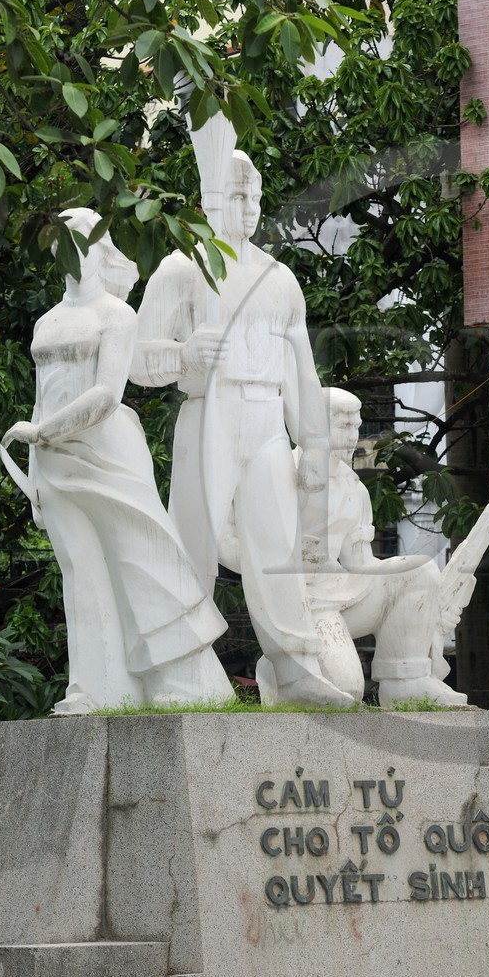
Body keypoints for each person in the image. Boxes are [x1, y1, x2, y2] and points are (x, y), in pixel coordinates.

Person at [132, 122, 352, 707]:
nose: (248, 208)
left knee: (275, 542)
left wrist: (313, 446)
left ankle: (295, 664)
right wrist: (183, 354)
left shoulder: (280, 279)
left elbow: (302, 372)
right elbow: (136, 359)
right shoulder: (184, 270)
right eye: (235, 196)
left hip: (265, 421)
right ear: (210, 199)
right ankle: (177, 663)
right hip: (208, 413)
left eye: (254, 197)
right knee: (193, 540)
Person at [1, 210, 232, 714]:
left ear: (99, 248)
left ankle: (184, 680)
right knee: (80, 572)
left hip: (106, 450)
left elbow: (107, 394)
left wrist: (43, 432)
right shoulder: (46, 321)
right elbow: (43, 398)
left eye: (79, 239)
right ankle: (96, 688)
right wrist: (37, 474)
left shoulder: (115, 314)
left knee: (142, 563)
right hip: (54, 460)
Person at [304, 386, 469, 706]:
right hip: (302, 603)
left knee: (418, 570)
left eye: (356, 425)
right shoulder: (283, 473)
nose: (353, 435)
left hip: (342, 592)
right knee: (346, 690)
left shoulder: (354, 488)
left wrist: (424, 603)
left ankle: (405, 680)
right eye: (343, 425)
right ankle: (280, 667)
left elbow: (360, 564)